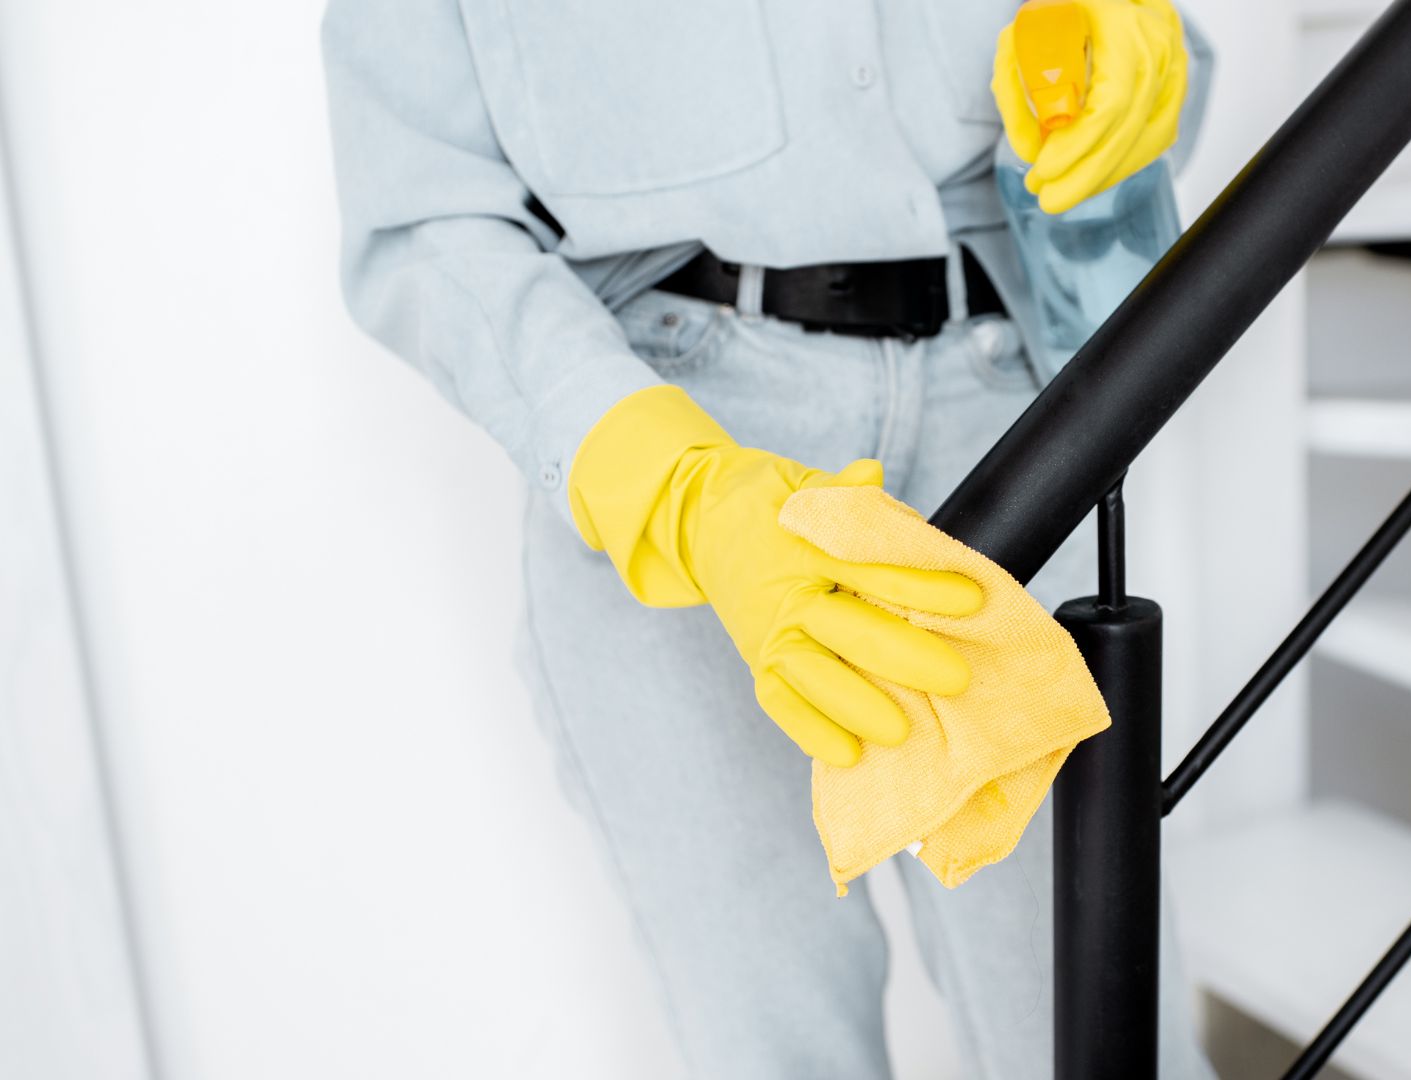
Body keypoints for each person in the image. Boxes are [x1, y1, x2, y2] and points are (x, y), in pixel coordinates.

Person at [321, 1, 1213, 1075]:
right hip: (671, 415)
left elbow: (1144, 76)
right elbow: (420, 212)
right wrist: (675, 493)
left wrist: (1143, 59)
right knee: (777, 1048)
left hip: (1008, 413)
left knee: (1105, 1028)